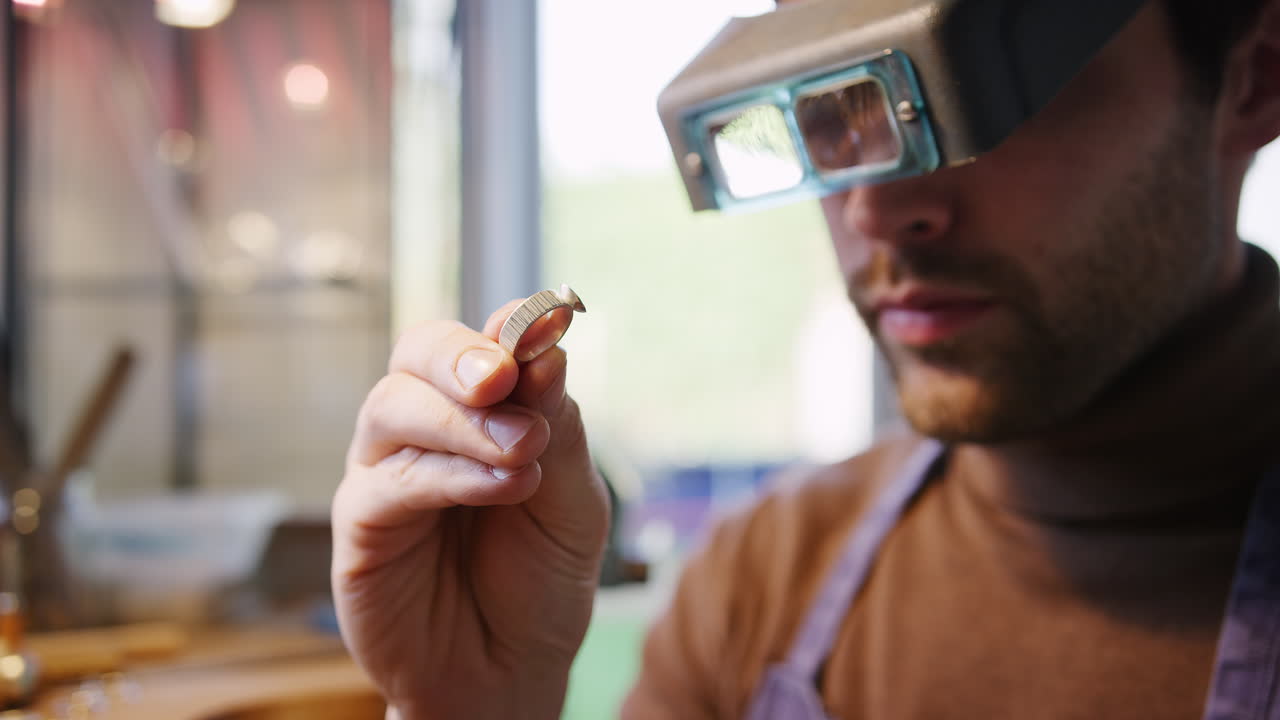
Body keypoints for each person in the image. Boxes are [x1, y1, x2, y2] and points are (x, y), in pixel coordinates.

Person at [330, 0, 1280, 717]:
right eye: (839, 115)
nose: (876, 210)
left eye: (984, 95)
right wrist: (477, 708)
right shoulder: (763, 583)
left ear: (1255, 79)